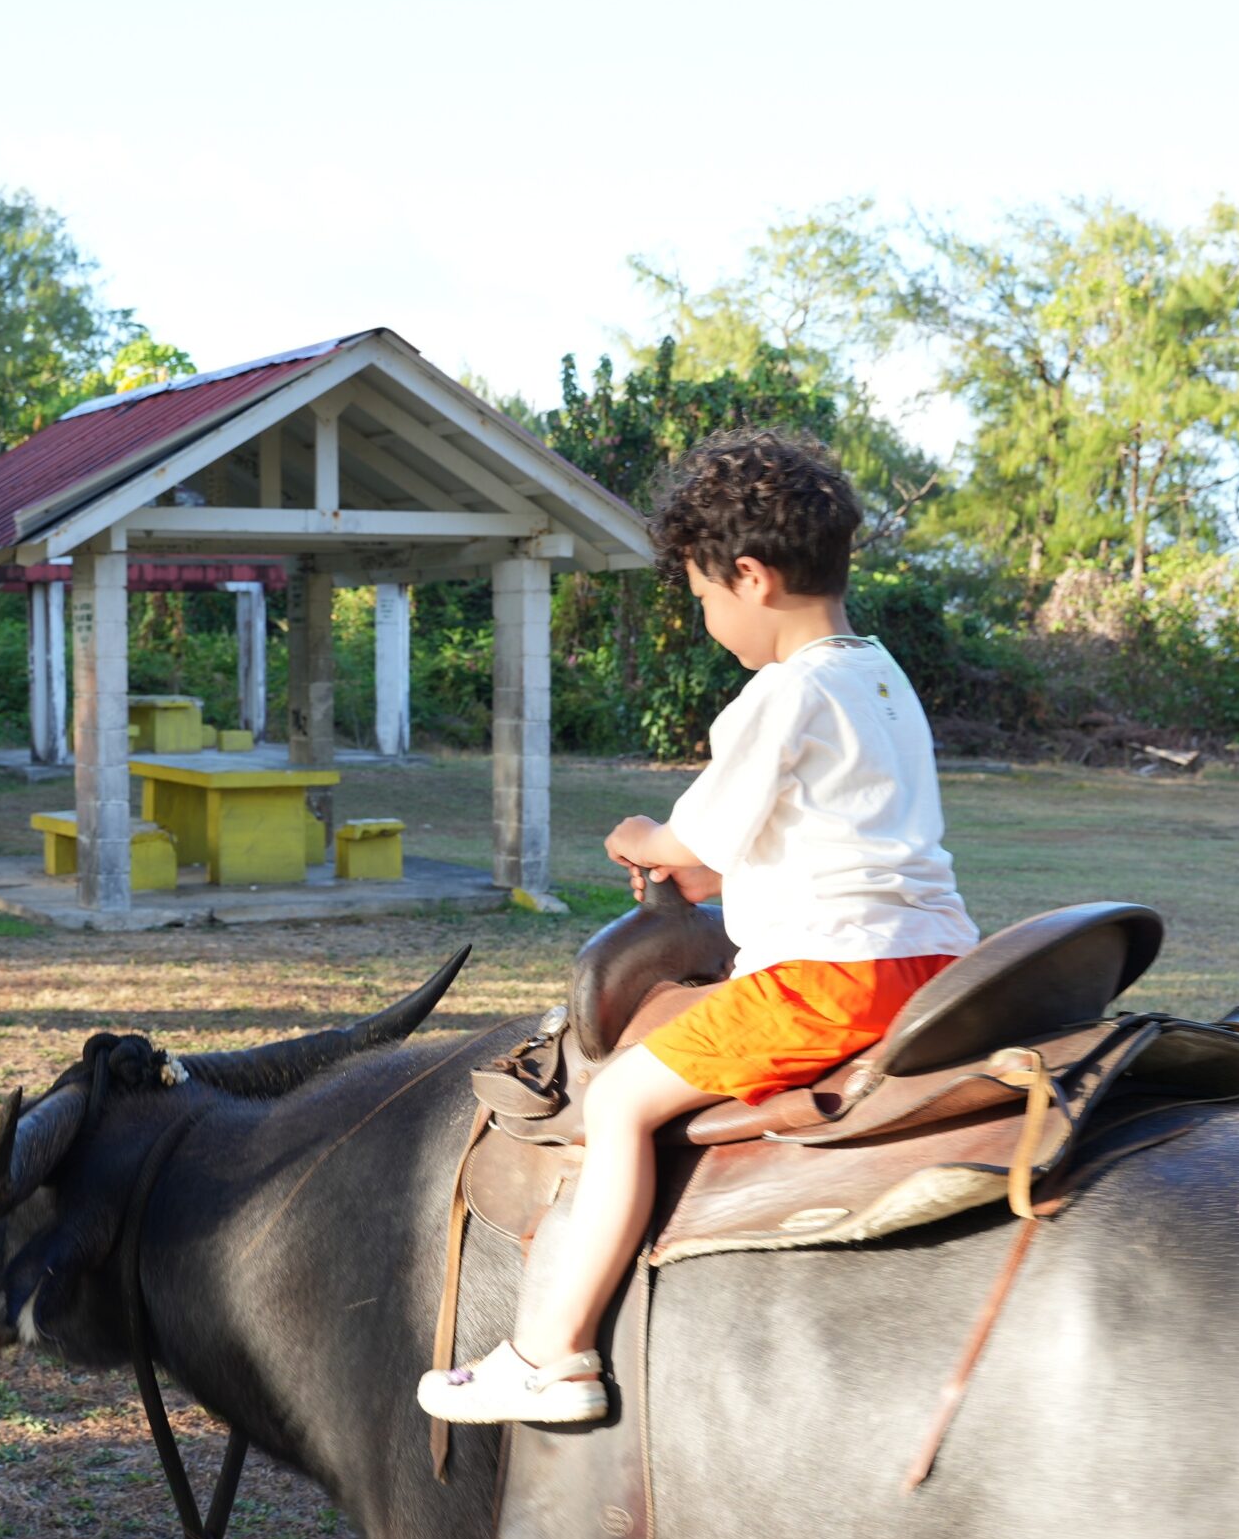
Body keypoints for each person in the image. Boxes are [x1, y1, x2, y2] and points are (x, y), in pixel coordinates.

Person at [418, 430, 979, 1425]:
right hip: (934, 956)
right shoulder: (881, 676)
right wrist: (701, 861)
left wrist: (643, 834)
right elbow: (793, 839)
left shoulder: (783, 692)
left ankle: (551, 1355)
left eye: (705, 598)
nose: (711, 618)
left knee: (625, 1100)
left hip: (831, 974)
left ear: (752, 578)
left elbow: (695, 835)